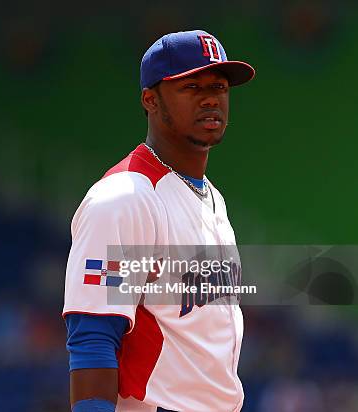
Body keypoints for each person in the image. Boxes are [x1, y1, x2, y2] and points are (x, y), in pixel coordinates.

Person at [62, 30, 255, 412]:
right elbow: (92, 336)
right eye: (191, 86)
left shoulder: (210, 196)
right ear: (150, 99)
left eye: (219, 86)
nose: (210, 98)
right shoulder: (125, 198)